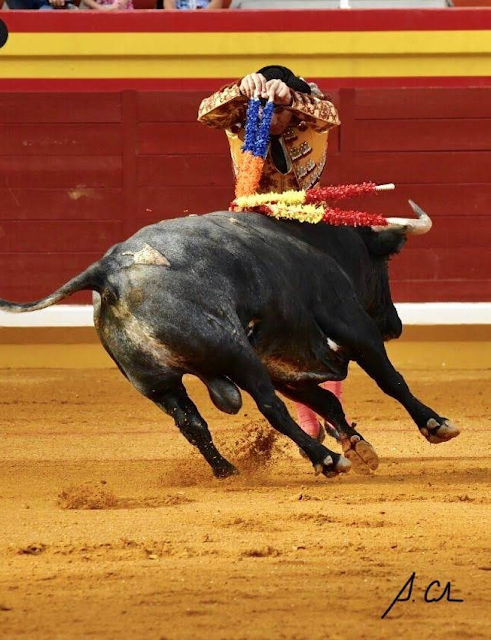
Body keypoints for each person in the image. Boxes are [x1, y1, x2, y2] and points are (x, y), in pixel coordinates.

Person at [198, 65, 347, 444]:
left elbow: (330, 114)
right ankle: (307, 417)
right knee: (270, 332)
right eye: (267, 111)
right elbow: (205, 113)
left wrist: (290, 97)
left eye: (280, 112)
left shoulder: (310, 113)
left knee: (331, 325)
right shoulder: (241, 117)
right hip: (255, 229)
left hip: (308, 226)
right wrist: (240, 89)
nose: (273, 118)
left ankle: (334, 411)